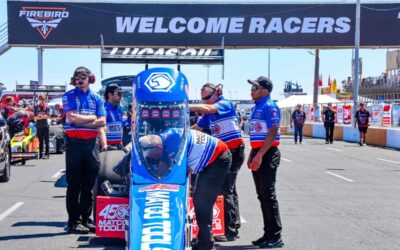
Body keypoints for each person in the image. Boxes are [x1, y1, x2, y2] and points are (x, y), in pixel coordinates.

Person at [139, 129, 231, 250]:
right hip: (210, 155)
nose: (154, 159)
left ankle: (206, 244)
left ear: (159, 147)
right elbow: (163, 166)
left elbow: (173, 171)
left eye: (154, 155)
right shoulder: (164, 138)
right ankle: (203, 240)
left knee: (201, 202)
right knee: (200, 199)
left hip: (218, 158)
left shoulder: (173, 142)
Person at [190, 83, 245, 241]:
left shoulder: (224, 104)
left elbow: (208, 109)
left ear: (217, 92)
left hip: (234, 151)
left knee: (226, 190)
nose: (205, 101)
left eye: (207, 97)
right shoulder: (209, 111)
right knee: (228, 189)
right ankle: (233, 224)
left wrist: (185, 105)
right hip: (224, 153)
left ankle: (230, 230)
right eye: (203, 99)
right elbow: (198, 128)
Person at [63, 66, 106, 234]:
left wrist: (86, 121)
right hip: (74, 143)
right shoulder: (69, 95)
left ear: (90, 78)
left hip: (91, 144)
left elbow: (102, 121)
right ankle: (73, 221)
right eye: (76, 77)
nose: (79, 79)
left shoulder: (97, 98)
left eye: (83, 76)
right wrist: (92, 118)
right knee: (74, 184)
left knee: (89, 184)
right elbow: (72, 118)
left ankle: (86, 219)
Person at [247, 76, 284, 249]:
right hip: (258, 152)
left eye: (255, 87)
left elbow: (273, 132)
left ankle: (276, 236)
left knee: (268, 196)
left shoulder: (269, 106)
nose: (252, 90)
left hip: (268, 153)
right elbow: (256, 134)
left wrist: (260, 154)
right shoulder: (256, 107)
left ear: (265, 90)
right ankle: (267, 233)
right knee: (262, 196)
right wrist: (252, 154)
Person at [99, 83, 124, 151]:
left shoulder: (119, 110)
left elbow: (119, 128)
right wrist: (104, 145)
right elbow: (100, 129)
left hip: (118, 147)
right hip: (106, 148)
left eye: (121, 94)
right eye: (118, 94)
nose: (121, 96)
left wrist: (121, 143)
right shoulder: (103, 109)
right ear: (110, 94)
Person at [34, 95, 50, 159]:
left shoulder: (47, 107)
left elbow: (48, 116)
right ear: (39, 100)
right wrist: (41, 117)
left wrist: (40, 117)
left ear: (45, 100)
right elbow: (34, 117)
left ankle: (47, 154)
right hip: (39, 126)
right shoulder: (36, 107)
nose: (42, 101)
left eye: (43, 99)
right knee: (40, 141)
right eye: (41, 99)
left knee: (46, 140)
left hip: (45, 126)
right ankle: (40, 154)